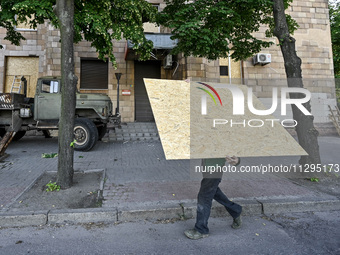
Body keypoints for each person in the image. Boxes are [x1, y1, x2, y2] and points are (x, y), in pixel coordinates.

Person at [184, 156, 242, 240]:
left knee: (204, 197)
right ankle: (236, 210)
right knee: (212, 191)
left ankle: (201, 229)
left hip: (215, 167)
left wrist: (237, 159)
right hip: (207, 163)